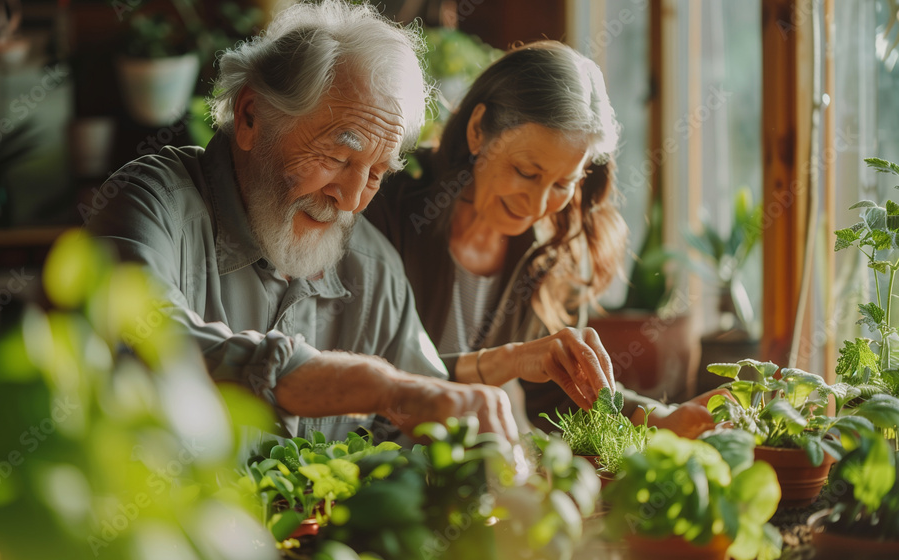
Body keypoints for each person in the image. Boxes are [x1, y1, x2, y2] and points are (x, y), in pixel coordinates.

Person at [85, 2, 612, 444]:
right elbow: (145, 343)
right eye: (338, 158)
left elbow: (425, 413)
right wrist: (379, 387)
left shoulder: (372, 267)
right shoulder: (153, 200)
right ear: (251, 116)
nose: (353, 199)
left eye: (378, 173)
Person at [365, 41, 719, 438]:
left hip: (457, 477)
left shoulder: (551, 249)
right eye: (525, 171)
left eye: (562, 183)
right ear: (478, 130)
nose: (537, 204)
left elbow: (559, 398)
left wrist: (662, 419)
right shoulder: (384, 207)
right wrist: (506, 361)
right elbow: (356, 375)